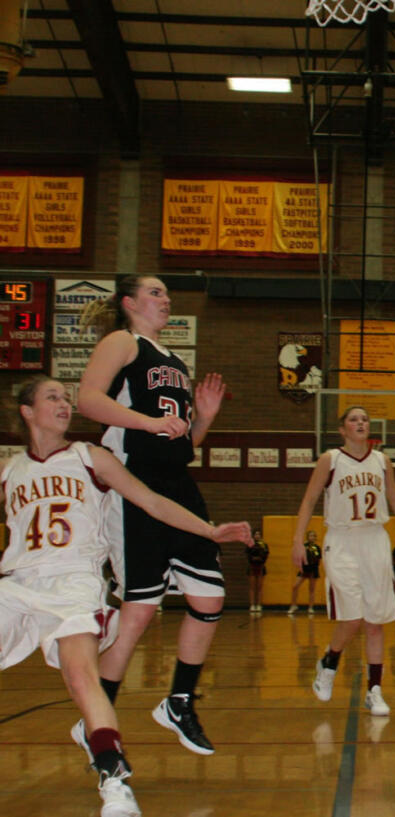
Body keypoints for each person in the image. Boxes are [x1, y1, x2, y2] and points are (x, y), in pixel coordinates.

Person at [1, 376, 251, 817]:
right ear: (27, 411)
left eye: (66, 397)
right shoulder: (9, 470)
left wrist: (210, 530)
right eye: (52, 397)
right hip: (19, 582)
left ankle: (114, 779)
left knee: (82, 676)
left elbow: (152, 502)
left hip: (75, 581)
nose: (64, 404)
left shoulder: (90, 457)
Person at [77, 275, 231, 756]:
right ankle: (96, 715)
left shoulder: (176, 362)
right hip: (131, 481)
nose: (166, 300)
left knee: (209, 596)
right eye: (155, 292)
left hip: (176, 483)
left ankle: (179, 701)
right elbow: (87, 399)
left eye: (166, 293)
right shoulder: (122, 341)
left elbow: (183, 444)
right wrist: (146, 422)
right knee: (139, 612)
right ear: (129, 302)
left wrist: (202, 418)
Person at [293, 406, 395, 718]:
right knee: (352, 617)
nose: (360, 423)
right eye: (353, 419)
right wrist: (297, 538)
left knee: (375, 621)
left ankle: (375, 690)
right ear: (342, 429)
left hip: (375, 540)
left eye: (365, 419)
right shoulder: (331, 460)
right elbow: (309, 499)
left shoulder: (382, 461)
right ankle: (330, 660)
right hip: (342, 541)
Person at [289, 529, 322, 615]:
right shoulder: (303, 546)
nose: (313, 537)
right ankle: (293, 605)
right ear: (307, 537)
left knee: (311, 589)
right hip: (304, 570)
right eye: (311, 536)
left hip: (313, 569)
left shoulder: (317, 548)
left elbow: (318, 559)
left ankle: (311, 607)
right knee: (295, 586)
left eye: (314, 536)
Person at [247, 529, 270, 612]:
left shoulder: (264, 545)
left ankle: (259, 605)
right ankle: (252, 605)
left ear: (261, 536)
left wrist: (261, 559)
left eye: (259, 534)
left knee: (260, 587)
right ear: (253, 536)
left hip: (261, 566)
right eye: (256, 534)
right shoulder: (250, 544)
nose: (257, 536)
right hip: (252, 567)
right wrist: (253, 558)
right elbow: (247, 554)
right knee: (252, 587)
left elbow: (266, 554)